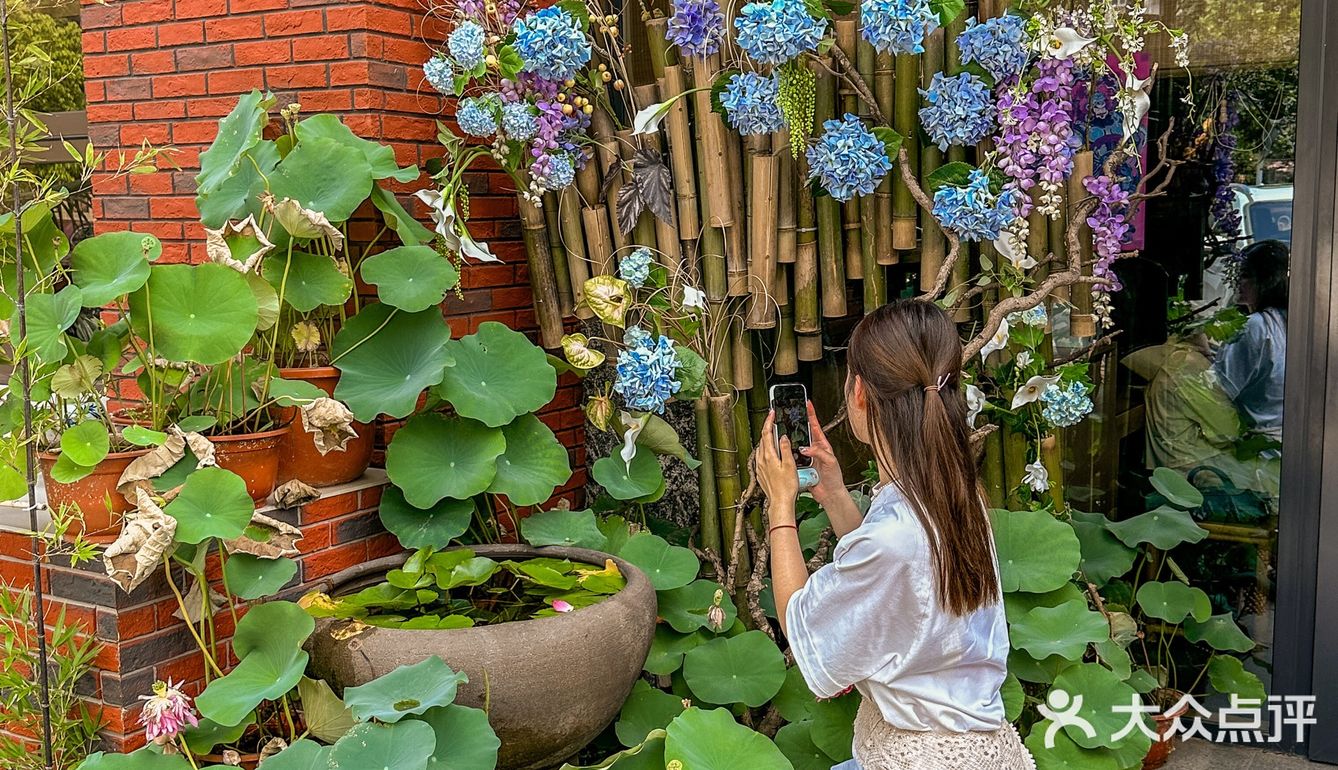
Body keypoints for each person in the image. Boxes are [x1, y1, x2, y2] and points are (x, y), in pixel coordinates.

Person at [754, 300, 1033, 770]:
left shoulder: (898, 531)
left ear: (859, 392)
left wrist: (780, 505)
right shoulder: (948, 494)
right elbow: (903, 585)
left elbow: (805, 627)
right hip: (975, 749)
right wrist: (836, 495)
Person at [1211, 239, 1289, 441]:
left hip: (1259, 445)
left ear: (1267, 280)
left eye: (1245, 275)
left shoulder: (1255, 326)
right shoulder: (1286, 320)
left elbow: (1217, 389)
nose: (1236, 281)